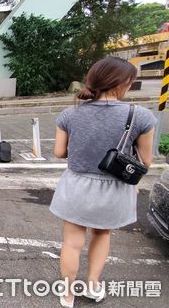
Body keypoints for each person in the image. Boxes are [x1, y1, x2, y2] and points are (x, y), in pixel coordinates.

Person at [50, 57, 156, 307]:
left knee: (71, 243)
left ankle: (67, 295)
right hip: (113, 189)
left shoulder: (70, 114)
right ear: (123, 82)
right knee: (102, 234)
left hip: (76, 187)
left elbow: (58, 152)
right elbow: (146, 160)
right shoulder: (140, 116)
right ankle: (92, 286)